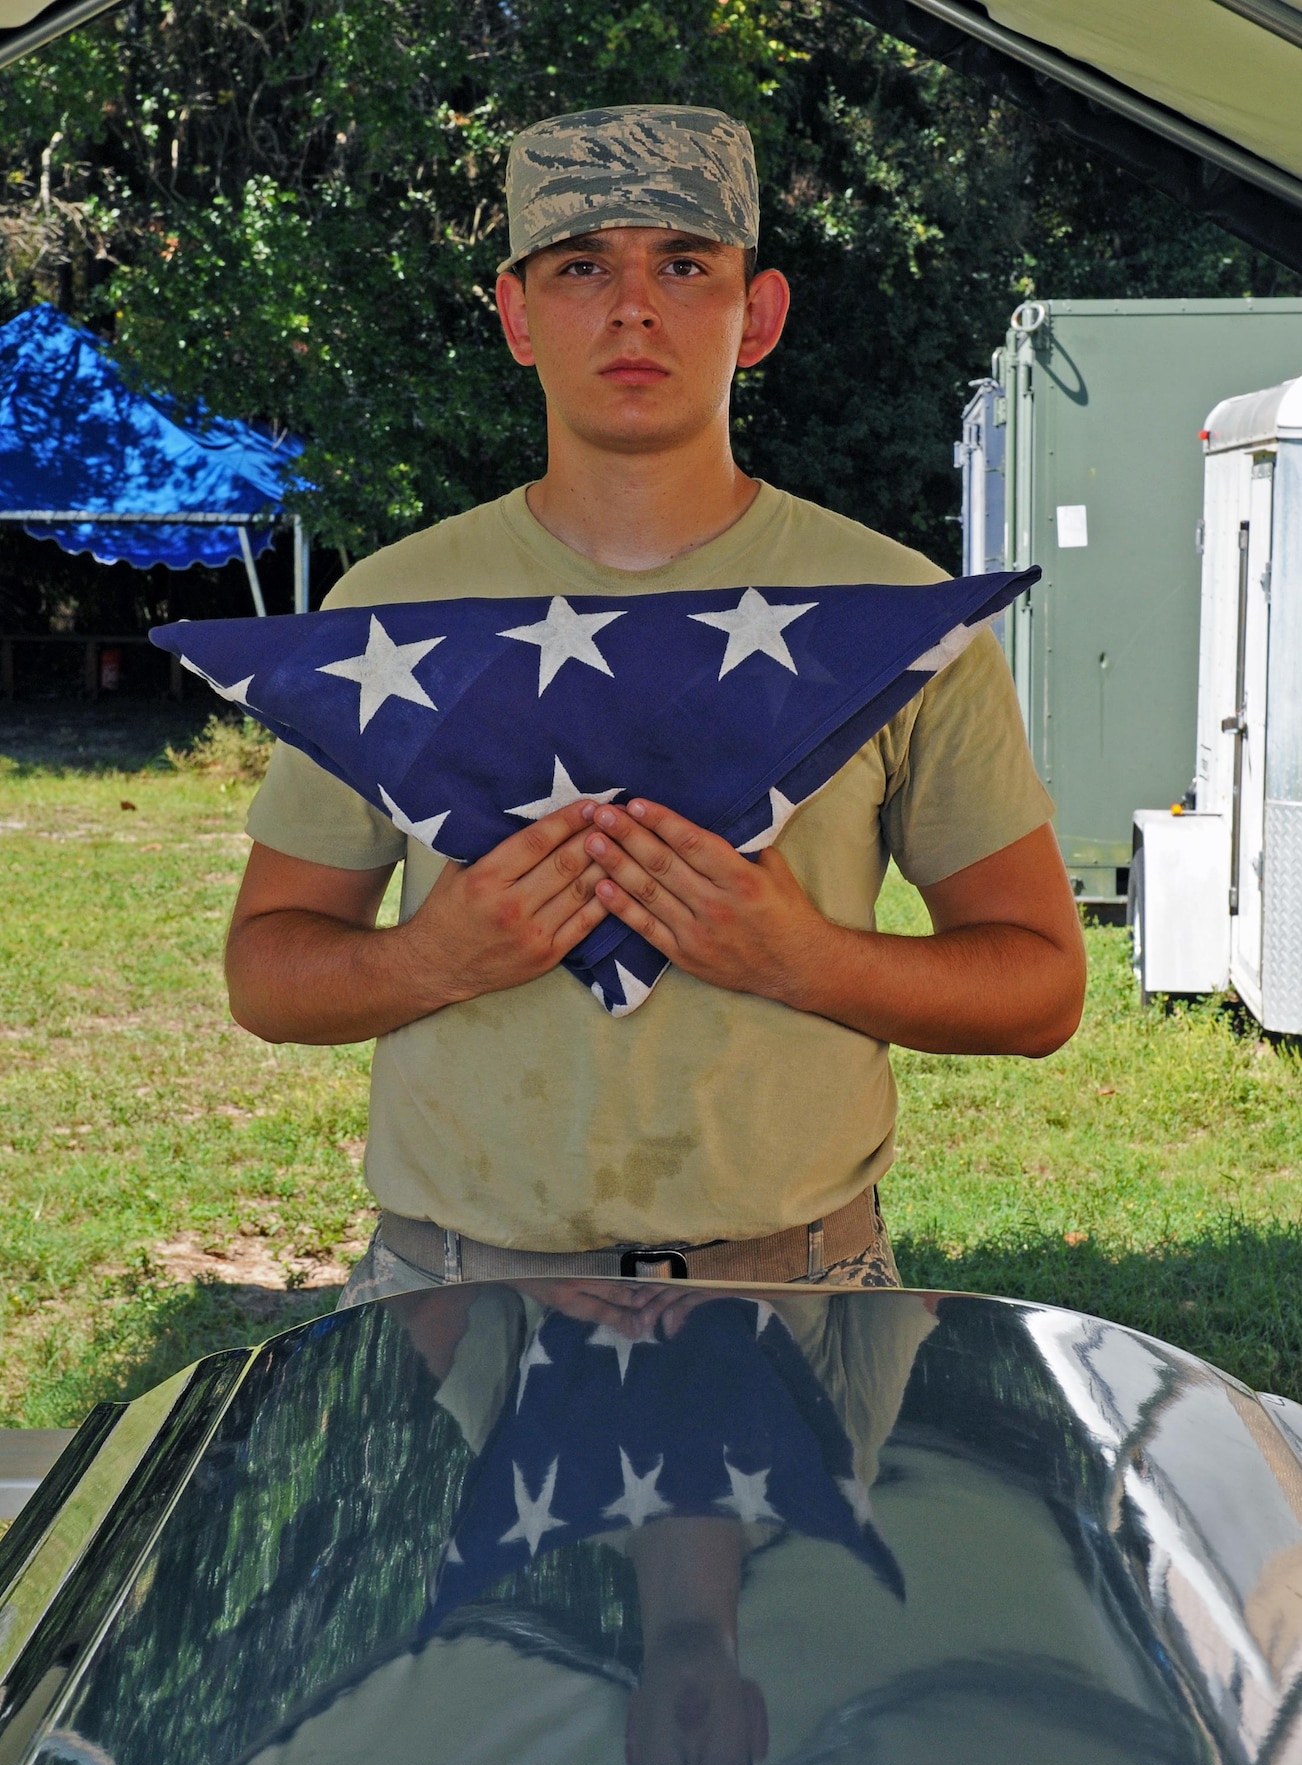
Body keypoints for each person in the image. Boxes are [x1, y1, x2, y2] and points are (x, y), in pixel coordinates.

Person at [224, 102, 1086, 1305]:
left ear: (760, 314)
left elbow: (1041, 985)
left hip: (799, 1289)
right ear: (518, 316)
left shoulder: (896, 614)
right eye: (582, 267)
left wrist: (799, 956)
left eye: (685, 263)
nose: (634, 307)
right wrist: (438, 956)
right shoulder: (393, 610)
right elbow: (266, 970)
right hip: (450, 1296)